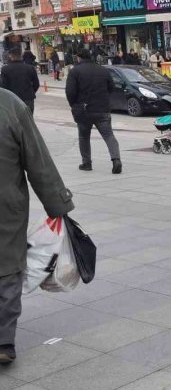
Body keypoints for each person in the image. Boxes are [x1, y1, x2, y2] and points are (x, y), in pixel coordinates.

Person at [0, 88, 75, 363]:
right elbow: (37, 160)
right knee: (6, 271)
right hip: (5, 208)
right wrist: (58, 205)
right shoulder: (10, 104)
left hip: (6, 207)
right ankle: (3, 341)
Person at [66, 48, 122, 174]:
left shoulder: (75, 71)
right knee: (108, 135)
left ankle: (87, 163)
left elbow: (70, 92)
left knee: (84, 136)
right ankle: (116, 159)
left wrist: (74, 105)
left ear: (79, 58)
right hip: (102, 108)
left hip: (83, 109)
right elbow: (111, 87)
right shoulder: (103, 70)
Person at [0, 47, 40, 113]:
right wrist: (30, 92)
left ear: (10, 56)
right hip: (28, 99)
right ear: (21, 55)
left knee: (15, 121)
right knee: (28, 121)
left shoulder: (5, 69)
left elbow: (3, 86)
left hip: (13, 100)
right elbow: (36, 84)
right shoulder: (30, 68)